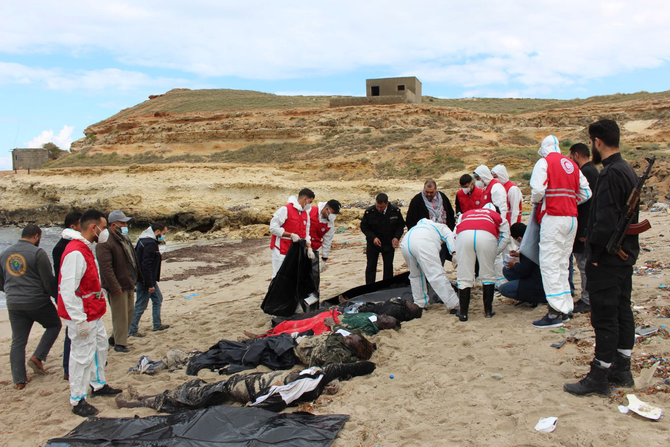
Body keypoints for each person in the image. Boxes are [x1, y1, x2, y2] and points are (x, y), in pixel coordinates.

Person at [564, 120, 640, 396]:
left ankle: (600, 375)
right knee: (622, 310)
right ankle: (622, 369)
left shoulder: (610, 173)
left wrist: (594, 255)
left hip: (607, 259)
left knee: (605, 316)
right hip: (624, 256)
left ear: (596, 142)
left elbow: (605, 220)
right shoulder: (627, 170)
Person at [115, 361, 376, 413]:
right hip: (243, 383)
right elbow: (344, 369)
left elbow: (277, 398)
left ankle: (138, 402)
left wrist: (254, 406)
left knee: (188, 397)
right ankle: (145, 398)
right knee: (192, 390)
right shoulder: (319, 374)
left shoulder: (309, 383)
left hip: (238, 389)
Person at [58, 209, 122, 416]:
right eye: (103, 228)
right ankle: (78, 399)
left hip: (93, 312)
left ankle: (98, 384)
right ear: (94, 228)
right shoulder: (75, 252)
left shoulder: (85, 249)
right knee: (81, 356)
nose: (105, 232)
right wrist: (79, 320)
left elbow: (89, 281)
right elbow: (68, 289)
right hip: (83, 315)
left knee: (99, 348)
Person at [530, 136, 592, 328]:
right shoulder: (572, 165)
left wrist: (539, 201)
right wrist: (570, 201)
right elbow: (586, 193)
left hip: (553, 217)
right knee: (563, 263)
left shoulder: (544, 162)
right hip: (571, 218)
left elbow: (538, 190)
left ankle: (556, 311)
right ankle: (566, 308)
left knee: (550, 263)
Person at [0, 224, 60, 390]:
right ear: (37, 236)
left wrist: (12, 292)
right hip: (37, 301)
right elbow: (48, 280)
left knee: (18, 341)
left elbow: (1, 281)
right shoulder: (38, 253)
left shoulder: (5, 253)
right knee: (54, 325)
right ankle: (38, 357)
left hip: (13, 303)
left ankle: (19, 379)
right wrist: (55, 297)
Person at [454, 204, 510, 321]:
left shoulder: (467, 213)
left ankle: (463, 313)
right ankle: (488, 311)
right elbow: (505, 236)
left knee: (464, 275)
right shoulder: (498, 217)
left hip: (464, 235)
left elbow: (455, 233)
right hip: (486, 236)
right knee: (488, 274)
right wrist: (494, 252)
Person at [96, 210, 141, 353]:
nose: (125, 225)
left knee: (129, 312)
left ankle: (115, 338)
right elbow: (106, 268)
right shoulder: (105, 242)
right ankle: (120, 343)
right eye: (123, 223)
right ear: (114, 224)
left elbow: (132, 259)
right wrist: (114, 286)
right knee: (120, 314)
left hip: (128, 281)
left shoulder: (124, 238)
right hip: (117, 284)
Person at [399, 218, 459, 310]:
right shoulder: (440, 227)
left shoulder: (415, 228)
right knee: (436, 274)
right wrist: (454, 252)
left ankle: (420, 303)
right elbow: (450, 236)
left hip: (405, 244)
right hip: (423, 243)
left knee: (415, 275)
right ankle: (454, 304)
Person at [568, 143, 600, 314]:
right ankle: (587, 297)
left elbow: (588, 204)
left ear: (576, 155)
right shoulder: (592, 171)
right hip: (587, 226)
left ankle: (587, 299)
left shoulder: (586, 172)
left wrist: (584, 231)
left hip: (585, 227)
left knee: (584, 264)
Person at [52, 211, 82, 380]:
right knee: (72, 331)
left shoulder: (75, 244)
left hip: (74, 294)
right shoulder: (62, 247)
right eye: (81, 224)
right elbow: (63, 276)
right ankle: (67, 368)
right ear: (73, 227)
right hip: (68, 294)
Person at [129, 222, 170, 337]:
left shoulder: (143, 240)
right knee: (141, 304)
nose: (163, 236)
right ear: (157, 232)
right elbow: (146, 265)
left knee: (157, 299)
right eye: (163, 233)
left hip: (146, 279)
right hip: (145, 280)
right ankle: (132, 330)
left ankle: (157, 324)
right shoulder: (149, 244)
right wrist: (150, 284)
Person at [406, 179, 456, 264]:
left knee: (440, 263)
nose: (429, 194)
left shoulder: (443, 198)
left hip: (441, 237)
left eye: (431, 192)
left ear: (436, 190)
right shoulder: (417, 200)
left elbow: (450, 215)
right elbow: (410, 220)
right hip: (425, 239)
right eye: (426, 192)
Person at [269, 188, 315, 278]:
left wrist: (309, 248)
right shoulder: (285, 209)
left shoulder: (305, 214)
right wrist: (290, 235)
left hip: (297, 250)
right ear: (305, 199)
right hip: (282, 248)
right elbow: (273, 228)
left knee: (292, 276)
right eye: (310, 202)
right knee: (279, 275)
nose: (310, 205)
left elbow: (306, 233)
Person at [360, 193, 405, 284]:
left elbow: (400, 226)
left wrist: (396, 238)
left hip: (389, 243)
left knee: (388, 267)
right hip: (373, 244)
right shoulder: (370, 212)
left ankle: (387, 287)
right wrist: (373, 238)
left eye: (382, 207)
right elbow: (364, 227)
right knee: (371, 266)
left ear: (387, 204)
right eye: (377, 206)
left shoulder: (395, 211)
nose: (379, 209)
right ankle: (369, 288)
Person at [498, 223, 547, 306]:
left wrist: (515, 264)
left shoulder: (526, 249)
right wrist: (518, 255)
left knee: (504, 289)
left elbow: (524, 271)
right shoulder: (533, 242)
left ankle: (531, 298)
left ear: (519, 239)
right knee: (507, 270)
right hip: (537, 276)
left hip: (536, 282)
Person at [308, 199, 341, 298]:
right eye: (333, 213)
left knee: (313, 277)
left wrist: (324, 258)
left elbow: (327, 241)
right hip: (302, 247)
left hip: (314, 250)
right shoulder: (310, 211)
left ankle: (312, 298)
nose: (334, 216)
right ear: (327, 208)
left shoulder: (329, 223)